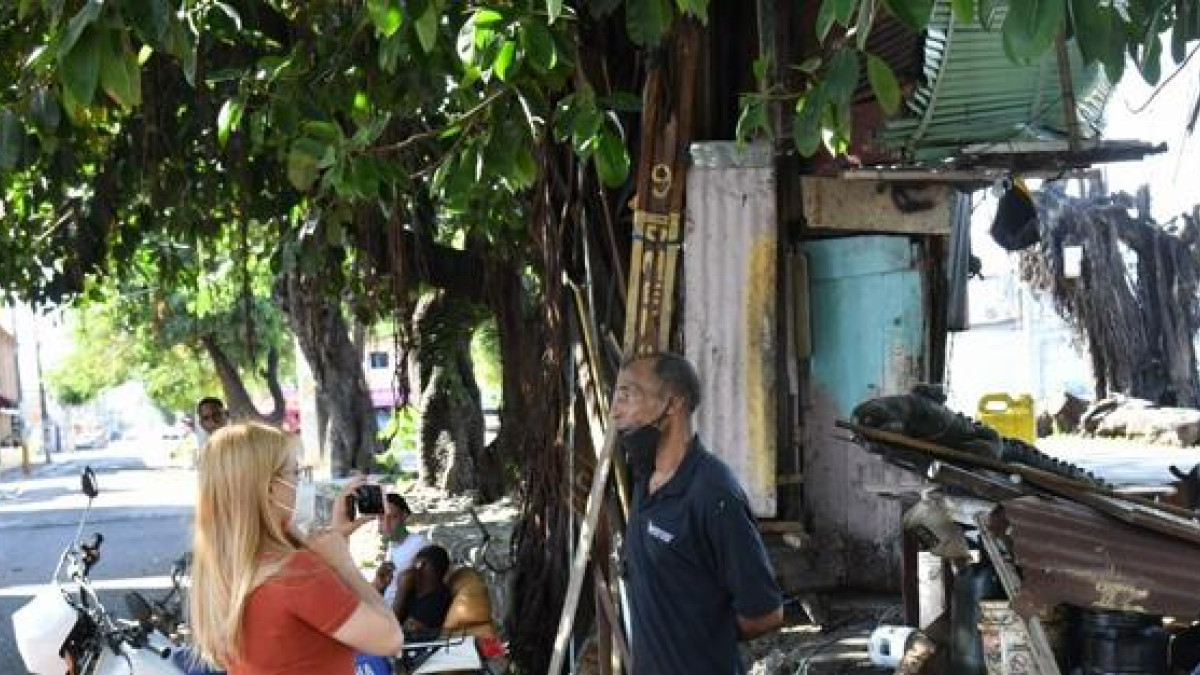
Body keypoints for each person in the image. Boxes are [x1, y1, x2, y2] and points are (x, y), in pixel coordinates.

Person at [613, 352, 784, 675]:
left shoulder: (713, 494)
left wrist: (700, 636)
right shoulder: (644, 479)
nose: (615, 412)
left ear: (673, 403)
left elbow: (765, 613)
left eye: (628, 395)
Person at [188, 423, 403, 673]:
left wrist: (336, 540)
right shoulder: (295, 573)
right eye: (296, 472)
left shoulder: (226, 565)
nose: (302, 482)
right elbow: (390, 639)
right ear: (269, 488)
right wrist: (344, 565)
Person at [378, 493, 429, 607]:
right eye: (381, 518)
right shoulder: (393, 545)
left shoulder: (419, 544)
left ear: (404, 516)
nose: (386, 524)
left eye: (392, 517)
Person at [392, 544, 453, 633]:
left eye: (415, 564)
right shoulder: (416, 592)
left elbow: (389, 633)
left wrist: (401, 591)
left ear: (422, 566)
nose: (411, 568)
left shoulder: (436, 601)